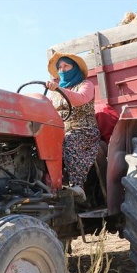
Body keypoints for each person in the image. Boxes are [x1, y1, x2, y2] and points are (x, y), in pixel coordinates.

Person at [46, 52, 100, 202]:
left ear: (75, 68)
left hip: (84, 130)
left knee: (70, 142)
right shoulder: (54, 93)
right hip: (60, 131)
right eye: (60, 67)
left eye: (66, 66)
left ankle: (78, 186)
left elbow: (80, 99)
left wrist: (58, 89)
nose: (62, 69)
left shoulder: (86, 85)